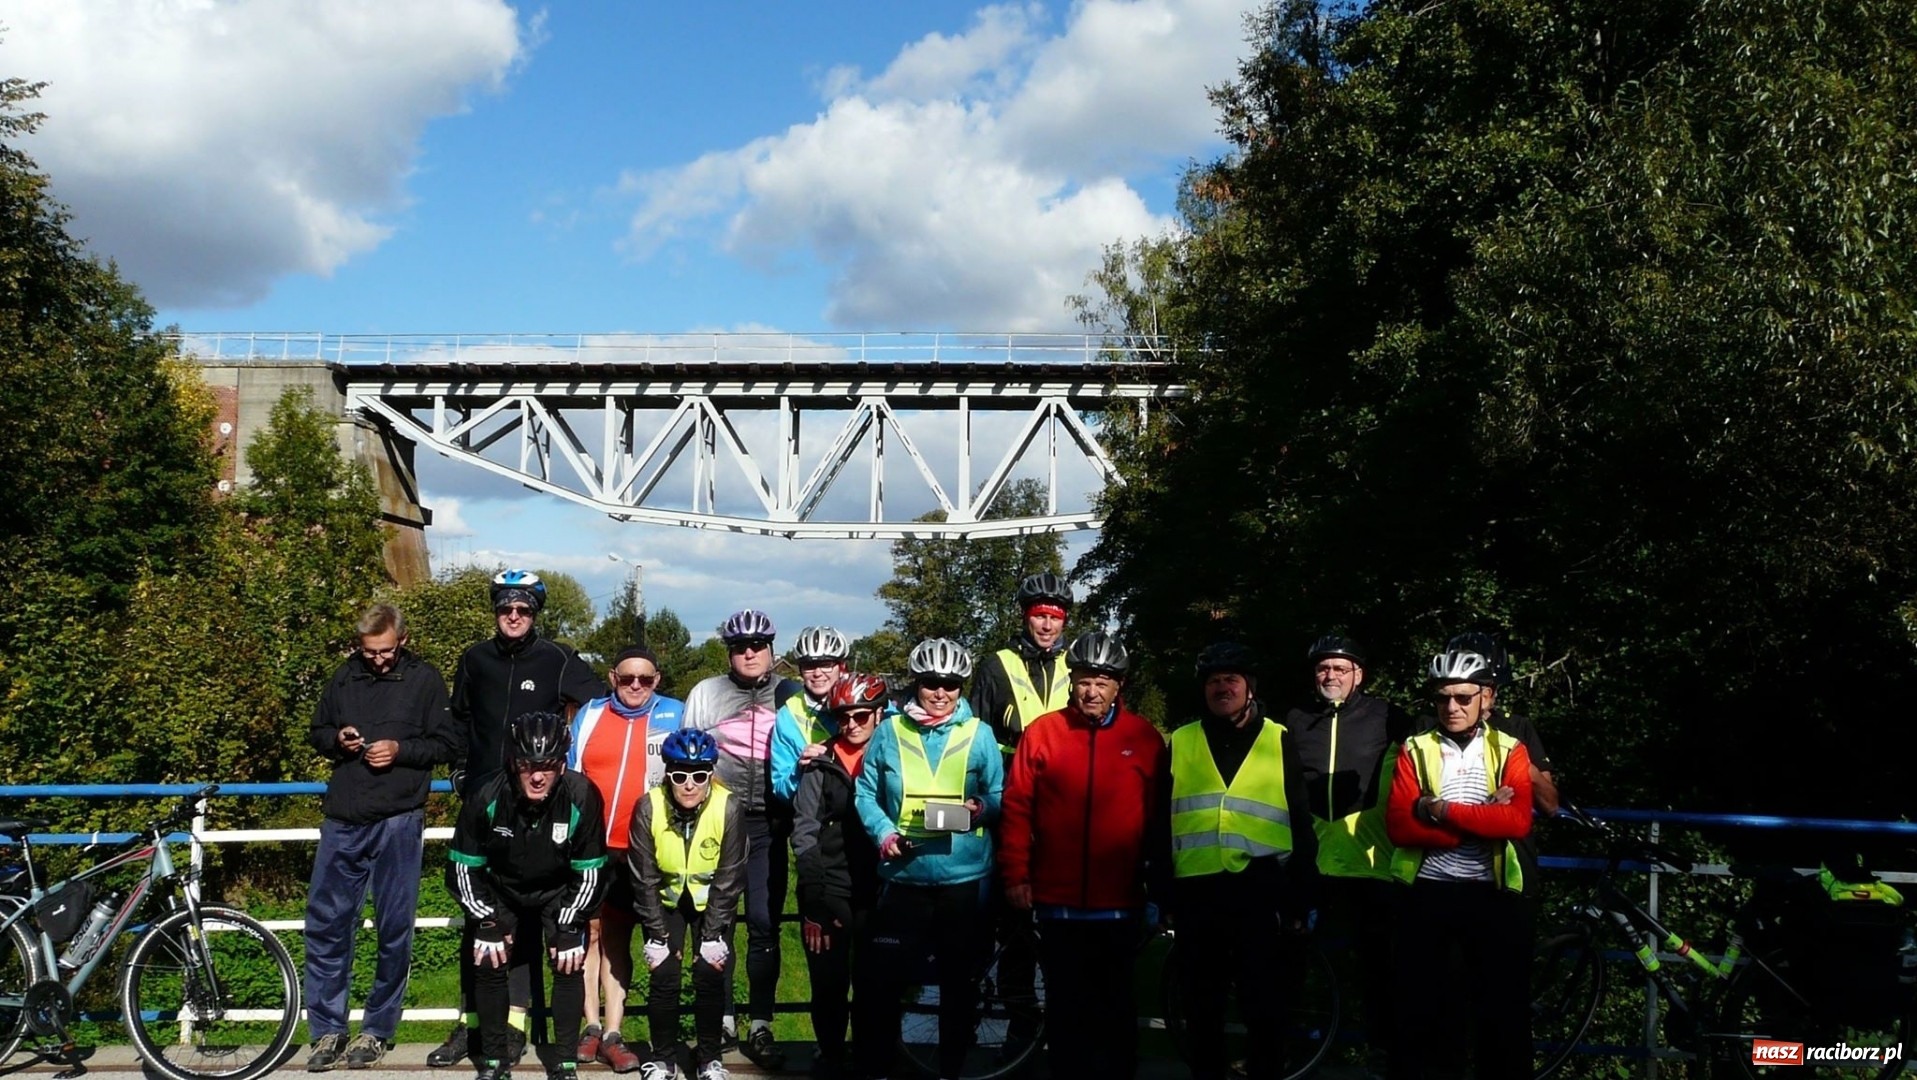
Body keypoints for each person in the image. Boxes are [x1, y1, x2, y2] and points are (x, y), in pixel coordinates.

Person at [435, 570, 608, 1069]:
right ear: (495, 611)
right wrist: (461, 770)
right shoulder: (474, 658)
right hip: (488, 800)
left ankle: (524, 1033)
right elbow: (460, 718)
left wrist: (562, 760)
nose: (514, 617)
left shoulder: (556, 658)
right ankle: (477, 1035)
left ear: (535, 614)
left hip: (545, 795)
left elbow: (597, 701)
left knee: (545, 931)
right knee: (484, 925)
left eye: (524, 610)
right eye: (506, 608)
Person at [997, 632, 1165, 1080]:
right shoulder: (1044, 733)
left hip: (1120, 900)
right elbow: (1016, 807)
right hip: (1058, 900)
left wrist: (1158, 885)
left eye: (1102, 683)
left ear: (1118, 688)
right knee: (1066, 1010)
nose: (1091, 691)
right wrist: (1016, 875)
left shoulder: (1144, 738)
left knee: (1117, 1009)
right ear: (1072, 682)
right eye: (1084, 681)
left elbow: (1158, 820)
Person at [1148, 642, 1318, 1080]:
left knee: (1265, 1006)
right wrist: (1163, 892)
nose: (1222, 687)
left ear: (1250, 688)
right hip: (1196, 894)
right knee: (1201, 1008)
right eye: (1213, 681)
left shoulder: (1277, 738)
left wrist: (1300, 899)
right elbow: (1160, 823)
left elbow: (1300, 821)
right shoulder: (1181, 741)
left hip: (1260, 892)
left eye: (1231, 680)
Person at [303, 603, 460, 1071]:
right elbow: (316, 731)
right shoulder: (344, 676)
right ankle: (327, 1031)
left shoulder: (425, 680)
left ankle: (376, 1030)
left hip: (399, 818)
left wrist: (401, 750)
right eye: (370, 652)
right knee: (327, 926)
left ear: (403, 641)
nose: (378, 660)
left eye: (386, 651)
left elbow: (448, 745)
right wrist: (338, 740)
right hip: (343, 816)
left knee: (394, 930)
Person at [855, 638, 1006, 1080]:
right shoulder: (889, 731)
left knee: (959, 988)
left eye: (951, 685)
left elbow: (998, 794)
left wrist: (980, 807)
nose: (941, 693)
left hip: (963, 878)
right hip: (905, 876)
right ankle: (882, 1069)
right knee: (887, 984)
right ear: (916, 683)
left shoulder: (979, 734)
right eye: (931, 683)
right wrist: (883, 833)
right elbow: (865, 792)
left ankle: (953, 1071)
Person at [1384, 650, 1537, 1080]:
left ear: (1486, 696)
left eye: (1463, 697)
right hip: (1427, 892)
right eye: (1441, 698)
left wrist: (1438, 810)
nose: (1451, 707)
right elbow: (1399, 826)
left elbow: (1517, 820)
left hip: (1492, 894)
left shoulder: (1510, 748)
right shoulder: (1414, 748)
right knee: (1424, 1014)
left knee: (1502, 1015)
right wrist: (1480, 822)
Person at [447, 712, 610, 1080]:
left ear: (562, 763)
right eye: (527, 765)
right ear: (512, 762)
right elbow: (462, 869)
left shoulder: (582, 794)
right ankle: (492, 1061)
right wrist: (486, 919)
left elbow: (590, 871)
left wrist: (570, 922)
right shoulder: (486, 794)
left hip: (559, 888)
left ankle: (565, 1061)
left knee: (570, 958)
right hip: (500, 888)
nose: (537, 776)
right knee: (488, 957)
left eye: (548, 766)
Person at [679, 610, 801, 1069]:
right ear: (728, 652)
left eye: (758, 645)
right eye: (739, 647)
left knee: (766, 926)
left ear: (771, 648)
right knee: (719, 926)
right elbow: (685, 755)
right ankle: (724, 1021)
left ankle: (762, 1025)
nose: (749, 653)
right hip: (720, 823)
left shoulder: (788, 693)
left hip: (770, 824)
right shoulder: (707, 692)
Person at [1286, 635, 1413, 1077]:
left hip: (1370, 863)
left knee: (1378, 967)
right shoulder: (1296, 719)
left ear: (1360, 673)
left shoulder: (1388, 716)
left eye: (1341, 668)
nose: (1331, 676)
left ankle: (1384, 1052)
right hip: (1312, 860)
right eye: (1324, 668)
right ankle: (1290, 1050)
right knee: (1294, 962)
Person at [967, 571, 1073, 1056]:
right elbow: (976, 738)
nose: (1047, 625)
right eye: (1039, 616)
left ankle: (1064, 1021)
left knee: (1063, 924)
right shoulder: (996, 667)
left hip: (1068, 809)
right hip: (1011, 805)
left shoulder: (1080, 665)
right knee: (1011, 921)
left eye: (1055, 617)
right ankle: (1020, 1024)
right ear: (1025, 617)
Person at [568, 646, 685, 1073]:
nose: (636, 686)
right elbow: (571, 772)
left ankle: (615, 1030)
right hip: (594, 844)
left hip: (646, 846)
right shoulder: (592, 714)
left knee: (622, 938)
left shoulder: (675, 712)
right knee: (589, 936)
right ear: (612, 676)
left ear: (658, 680)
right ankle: (591, 1025)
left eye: (646, 679)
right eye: (627, 678)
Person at [627, 729, 746, 1080]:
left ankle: (710, 1059)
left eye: (699, 775)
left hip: (713, 901)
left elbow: (730, 876)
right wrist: (657, 934)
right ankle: (663, 1060)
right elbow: (642, 875)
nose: (689, 784)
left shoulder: (730, 806)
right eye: (680, 775)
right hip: (665, 901)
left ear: (711, 774)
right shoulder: (648, 806)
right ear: (668, 775)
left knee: (710, 974)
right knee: (664, 976)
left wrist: (713, 935)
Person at [791, 673, 890, 1080]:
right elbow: (804, 829)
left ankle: (873, 1061)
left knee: (875, 986)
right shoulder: (820, 763)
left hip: (879, 887)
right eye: (843, 717)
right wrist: (812, 903)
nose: (851, 725)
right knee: (829, 986)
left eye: (861, 716)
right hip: (829, 886)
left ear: (879, 715)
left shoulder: (894, 757)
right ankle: (831, 1057)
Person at [1445, 632, 1559, 816]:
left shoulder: (1517, 727)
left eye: (1492, 686)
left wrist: (1522, 767)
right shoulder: (1427, 729)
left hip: (1511, 841)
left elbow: (1550, 805)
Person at [771, 625, 852, 802]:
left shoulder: (866, 697)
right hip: (817, 817)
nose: (817, 673)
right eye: (809, 666)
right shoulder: (788, 715)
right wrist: (799, 768)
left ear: (842, 666)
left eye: (826, 664)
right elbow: (780, 789)